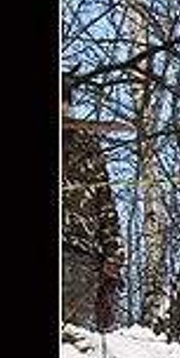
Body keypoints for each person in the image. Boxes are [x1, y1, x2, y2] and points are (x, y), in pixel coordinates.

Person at [62, 74, 124, 331]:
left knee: (72, 336)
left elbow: (104, 202)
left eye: (63, 101)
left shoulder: (87, 144)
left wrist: (114, 253)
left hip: (78, 252)